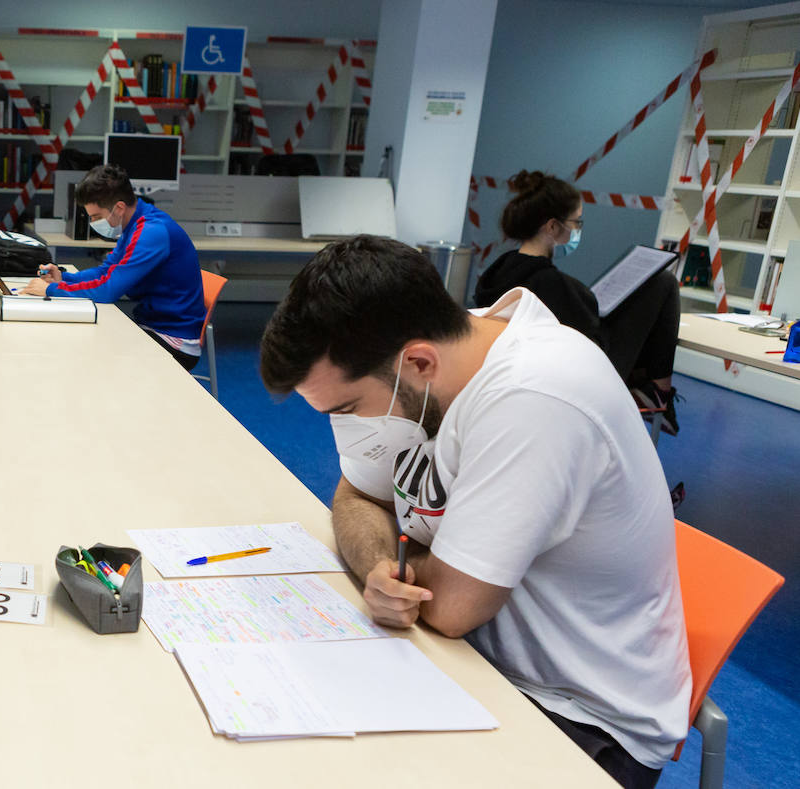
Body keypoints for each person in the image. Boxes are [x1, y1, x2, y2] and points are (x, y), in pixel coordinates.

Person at [259, 236, 690, 789]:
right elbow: (357, 497)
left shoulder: (533, 396)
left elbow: (454, 607)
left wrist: (407, 568)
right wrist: (376, 568)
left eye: (347, 408)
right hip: (475, 662)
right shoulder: (436, 366)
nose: (346, 427)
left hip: (578, 716)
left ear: (417, 361)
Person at [473, 170, 682, 434]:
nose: (577, 230)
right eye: (576, 222)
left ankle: (654, 391)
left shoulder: (497, 271)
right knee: (663, 283)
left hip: (512, 374)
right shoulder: (553, 285)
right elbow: (589, 347)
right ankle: (659, 393)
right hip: (576, 380)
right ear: (552, 226)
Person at [18, 165, 206, 370]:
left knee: (89, 350)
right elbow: (105, 272)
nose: (92, 223)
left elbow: (108, 290)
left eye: (96, 217)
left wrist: (50, 290)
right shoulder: (135, 223)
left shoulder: (151, 232)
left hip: (173, 339)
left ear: (119, 208)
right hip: (152, 323)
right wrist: (64, 278)